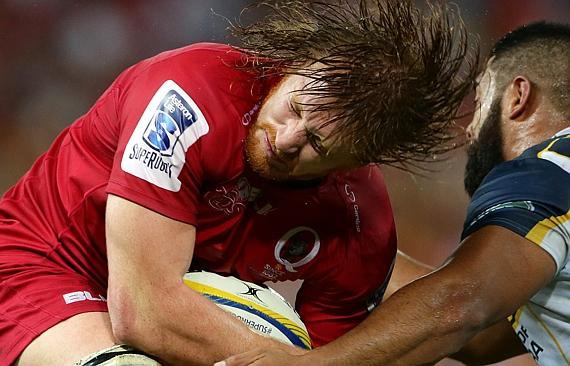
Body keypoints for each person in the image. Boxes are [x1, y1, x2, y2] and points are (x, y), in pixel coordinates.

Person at [0, 1, 476, 365]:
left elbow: (324, 357)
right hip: (32, 271)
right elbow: (145, 313)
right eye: (293, 107)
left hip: (175, 309)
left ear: (361, 160)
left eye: (317, 143)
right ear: (295, 65)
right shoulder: (186, 99)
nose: (287, 138)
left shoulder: (360, 225)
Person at [218, 21, 570, 366]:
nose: (469, 131)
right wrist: (354, 240)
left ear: (517, 96)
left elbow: (460, 302)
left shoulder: (548, 167)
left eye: (479, 99)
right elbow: (479, 340)